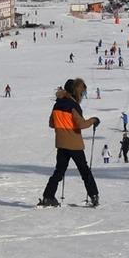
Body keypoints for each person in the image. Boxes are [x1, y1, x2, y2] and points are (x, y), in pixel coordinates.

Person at [39, 78, 100, 207]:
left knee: (59, 171)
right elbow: (81, 124)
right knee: (84, 171)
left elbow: (51, 123)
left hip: (61, 144)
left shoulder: (57, 105)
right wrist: (94, 120)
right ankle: (94, 195)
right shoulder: (73, 106)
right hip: (74, 144)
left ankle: (47, 196)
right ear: (74, 92)